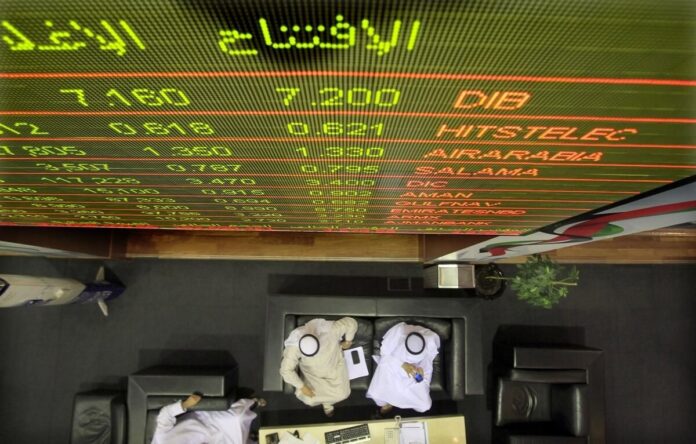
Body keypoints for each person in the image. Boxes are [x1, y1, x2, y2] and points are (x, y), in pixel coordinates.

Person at [280, 317, 358, 417]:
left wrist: (348, 341)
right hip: (312, 376)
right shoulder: (294, 345)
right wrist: (302, 387)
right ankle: (328, 403)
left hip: (333, 369)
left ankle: (327, 403)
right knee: (309, 400)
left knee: (343, 394)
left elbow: (351, 323)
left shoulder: (330, 330)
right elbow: (285, 370)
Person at [366, 322, 440, 414]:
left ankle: (392, 400)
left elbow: (425, 377)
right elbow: (385, 356)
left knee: (425, 406)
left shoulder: (428, 345)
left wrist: (420, 378)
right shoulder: (398, 337)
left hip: (409, 382)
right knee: (376, 395)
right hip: (393, 371)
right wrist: (402, 364)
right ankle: (390, 401)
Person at [151, 393, 265, 444]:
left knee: (237, 418)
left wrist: (186, 404)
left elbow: (166, 414)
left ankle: (252, 403)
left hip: (206, 421)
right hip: (213, 440)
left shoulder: (161, 440)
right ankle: (253, 438)